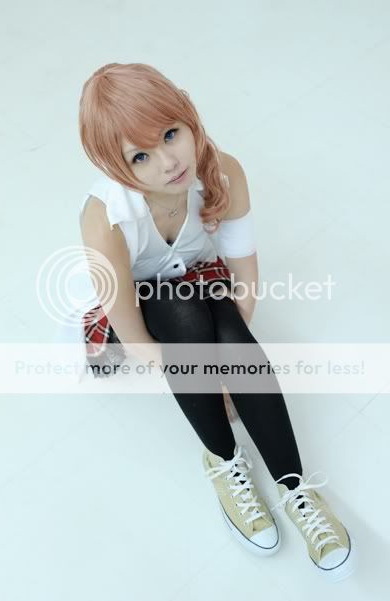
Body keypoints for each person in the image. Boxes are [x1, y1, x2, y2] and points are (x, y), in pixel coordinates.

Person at [77, 62, 357, 581]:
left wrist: (230, 356)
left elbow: (245, 281)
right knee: (183, 316)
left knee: (228, 331)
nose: (168, 162)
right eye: (140, 156)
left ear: (187, 115)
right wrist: (208, 376)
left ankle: (295, 487)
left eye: (170, 134)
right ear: (117, 167)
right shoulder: (105, 218)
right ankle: (223, 460)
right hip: (140, 304)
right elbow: (137, 340)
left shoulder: (221, 171)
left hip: (201, 281)